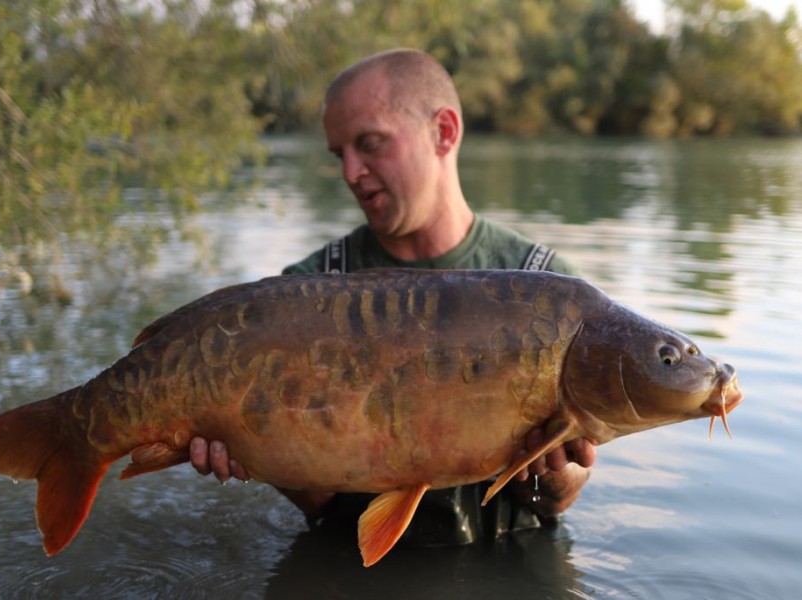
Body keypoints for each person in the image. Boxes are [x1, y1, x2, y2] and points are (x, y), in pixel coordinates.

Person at [189, 48, 596, 545]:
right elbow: (321, 507)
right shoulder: (307, 292)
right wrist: (259, 454)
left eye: (370, 144)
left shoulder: (552, 293)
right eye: (340, 154)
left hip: (509, 563)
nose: (350, 173)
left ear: (444, 132)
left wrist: (551, 471)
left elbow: (560, 502)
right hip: (348, 567)